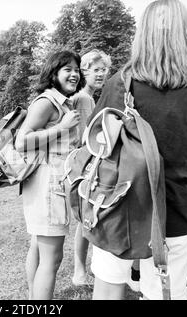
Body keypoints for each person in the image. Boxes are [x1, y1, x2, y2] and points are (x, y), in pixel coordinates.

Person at [89, 0, 187, 300]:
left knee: (108, 289)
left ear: (142, 32)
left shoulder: (121, 83)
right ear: (186, 33)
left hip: (121, 208)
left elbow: (95, 145)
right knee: (165, 294)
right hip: (179, 211)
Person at [14, 50, 84, 299]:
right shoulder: (47, 102)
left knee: (39, 248)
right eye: (68, 69)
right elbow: (22, 141)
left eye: (76, 69)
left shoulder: (63, 102)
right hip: (48, 189)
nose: (74, 74)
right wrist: (62, 127)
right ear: (54, 73)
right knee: (52, 259)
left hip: (48, 186)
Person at [71, 49, 113, 288]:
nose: (101, 74)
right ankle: (79, 271)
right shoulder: (86, 99)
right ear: (84, 70)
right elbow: (87, 138)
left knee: (86, 218)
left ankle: (82, 269)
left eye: (104, 70)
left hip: (82, 162)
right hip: (84, 163)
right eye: (95, 69)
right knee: (85, 220)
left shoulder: (86, 97)